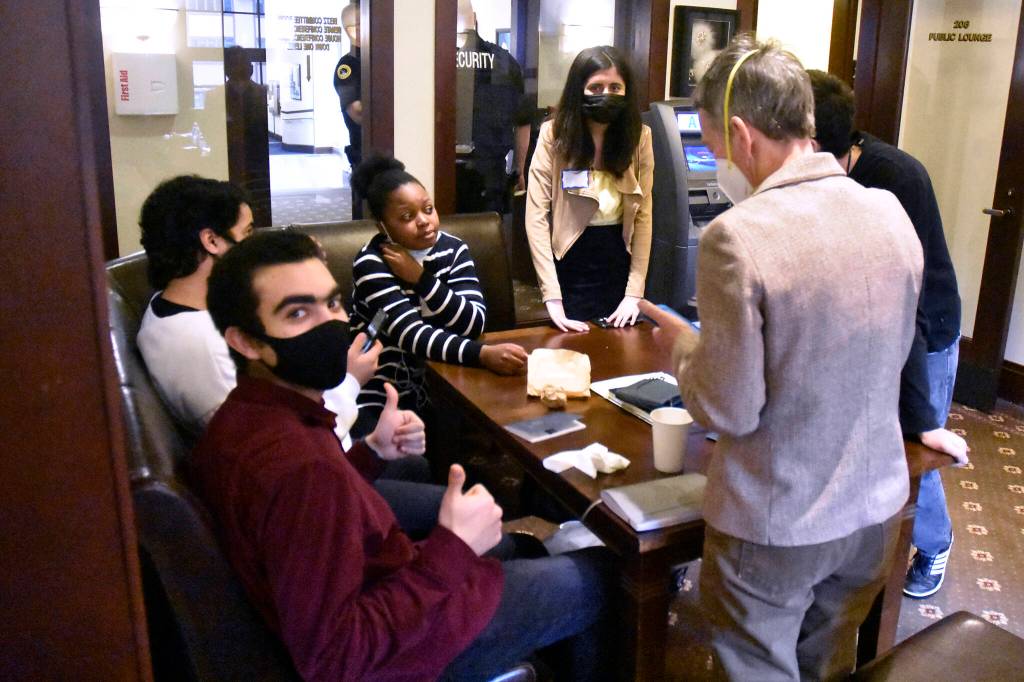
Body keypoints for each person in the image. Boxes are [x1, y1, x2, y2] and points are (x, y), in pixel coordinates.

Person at [195, 230, 616, 680]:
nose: (329, 325)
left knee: (524, 547)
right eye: (298, 313)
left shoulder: (244, 417)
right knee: (606, 573)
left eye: (332, 304)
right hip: (419, 642)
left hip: (396, 581)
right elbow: (334, 659)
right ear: (246, 341)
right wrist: (453, 548)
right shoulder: (301, 467)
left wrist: (372, 452)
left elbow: (315, 513)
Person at [639, 35, 923, 680]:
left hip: (780, 520)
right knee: (827, 661)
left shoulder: (738, 236)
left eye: (713, 144)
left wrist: (683, 348)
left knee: (759, 666)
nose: (717, 161)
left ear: (742, 134)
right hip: (875, 506)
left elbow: (730, 410)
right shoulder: (886, 209)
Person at [808, 70, 969, 600]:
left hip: (926, 326)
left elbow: (909, 295)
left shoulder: (894, 177)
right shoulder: (829, 177)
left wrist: (918, 409)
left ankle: (934, 542)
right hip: (870, 324)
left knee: (915, 444)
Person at [348, 155, 528, 434]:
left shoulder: (453, 250)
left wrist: (421, 279)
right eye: (407, 217)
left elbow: (473, 323)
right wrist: (481, 355)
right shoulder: (371, 263)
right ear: (382, 225)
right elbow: (412, 335)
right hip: (381, 393)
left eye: (428, 209)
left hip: (447, 383)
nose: (424, 221)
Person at [525, 45, 653, 332]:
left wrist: (634, 293)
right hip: (570, 262)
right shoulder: (553, 135)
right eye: (596, 87)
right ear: (578, 89)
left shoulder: (640, 138)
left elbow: (644, 216)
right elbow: (536, 216)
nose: (605, 94)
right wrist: (552, 296)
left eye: (615, 87)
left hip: (620, 260)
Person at [454, 0, 531, 215]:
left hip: (444, 174)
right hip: (491, 178)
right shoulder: (504, 62)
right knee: (489, 232)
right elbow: (523, 122)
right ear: (475, 19)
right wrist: (519, 169)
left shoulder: (436, 61)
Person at [333, 1, 364, 218]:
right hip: (363, 149)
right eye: (356, 27)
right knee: (364, 213)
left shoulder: (377, 59)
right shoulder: (348, 66)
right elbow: (357, 112)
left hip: (385, 148)